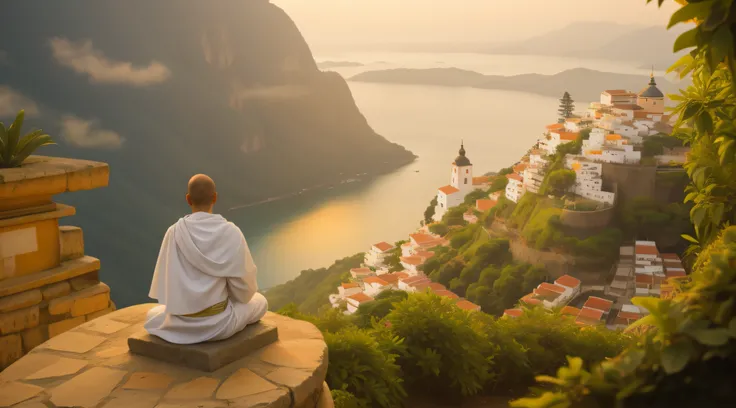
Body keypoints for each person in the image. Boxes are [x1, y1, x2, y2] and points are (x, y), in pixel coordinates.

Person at [144, 174, 268, 344]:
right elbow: (244, 291)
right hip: (219, 324)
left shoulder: (174, 232)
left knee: (153, 315)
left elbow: (164, 290)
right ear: (215, 198)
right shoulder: (231, 232)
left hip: (180, 324)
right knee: (260, 302)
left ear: (188, 199)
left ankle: (183, 330)